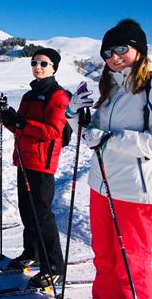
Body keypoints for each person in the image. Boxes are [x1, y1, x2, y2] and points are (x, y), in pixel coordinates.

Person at [66, 19, 152, 299]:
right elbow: (92, 133)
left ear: (138, 48)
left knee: (132, 267)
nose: (113, 57)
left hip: (134, 193)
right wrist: (76, 114)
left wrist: (110, 140)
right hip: (100, 186)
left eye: (121, 49)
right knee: (103, 261)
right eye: (107, 53)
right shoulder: (108, 89)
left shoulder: (148, 88)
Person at [0, 48, 68, 288]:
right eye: (34, 62)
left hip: (42, 163)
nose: (38, 66)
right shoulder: (28, 95)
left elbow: (53, 132)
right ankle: (32, 252)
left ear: (54, 67)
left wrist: (22, 122)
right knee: (27, 210)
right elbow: (19, 128)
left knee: (42, 214)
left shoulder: (57, 95)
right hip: (24, 159)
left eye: (44, 64)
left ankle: (54, 267)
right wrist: (6, 117)